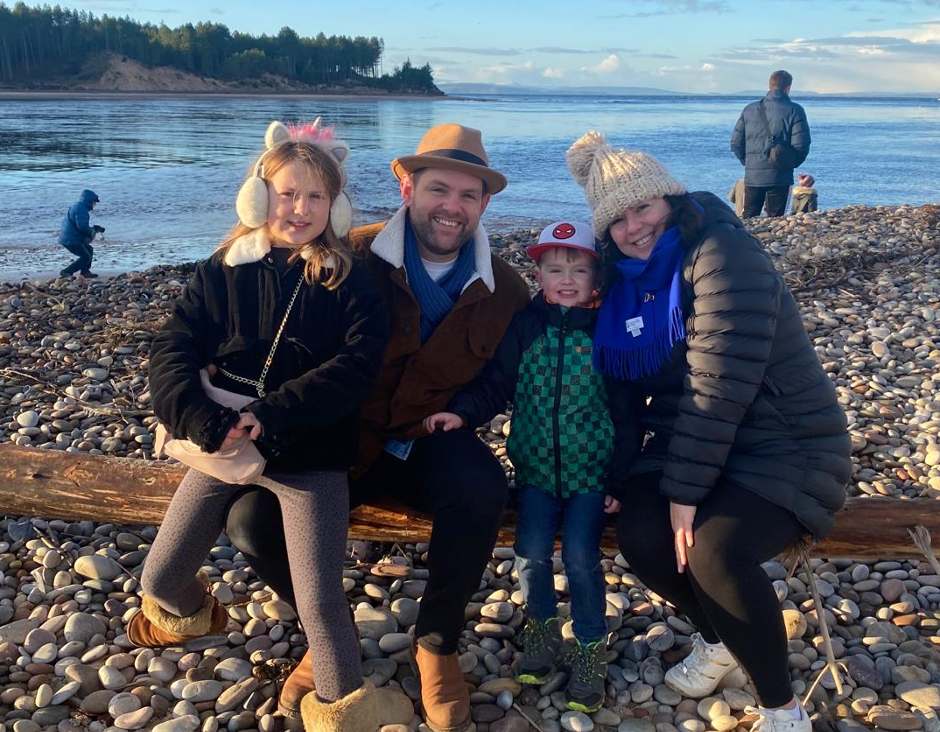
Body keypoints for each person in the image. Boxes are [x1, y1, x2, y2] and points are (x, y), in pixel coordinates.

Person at [223, 123, 530, 732]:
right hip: (340, 441)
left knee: (482, 490)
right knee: (250, 522)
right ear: (406, 184)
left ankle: (437, 643)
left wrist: (466, 412)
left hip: (427, 439)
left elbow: (501, 379)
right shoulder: (345, 257)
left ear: (486, 203)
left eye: (469, 196)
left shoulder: (508, 289)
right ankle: (325, 632)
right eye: (439, 189)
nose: (453, 207)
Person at [566, 131, 851, 732]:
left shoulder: (723, 254)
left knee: (712, 551)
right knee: (642, 535)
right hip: (688, 441)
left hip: (785, 443)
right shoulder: (627, 282)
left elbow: (717, 387)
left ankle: (782, 708)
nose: (632, 227)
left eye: (641, 206)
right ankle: (720, 640)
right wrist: (619, 476)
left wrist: (685, 494)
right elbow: (622, 391)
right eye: (615, 219)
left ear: (669, 198)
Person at [142, 118, 412, 730]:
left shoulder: (350, 278)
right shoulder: (224, 269)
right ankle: (202, 615)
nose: (301, 208)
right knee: (160, 579)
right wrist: (204, 419)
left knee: (318, 599)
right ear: (260, 196)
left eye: (316, 196)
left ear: (335, 205)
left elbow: (355, 367)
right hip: (222, 445)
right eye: (288, 193)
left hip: (308, 452)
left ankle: (345, 708)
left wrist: (268, 416)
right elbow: (172, 346)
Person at [424, 220, 632, 714]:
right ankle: (538, 633)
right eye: (554, 268)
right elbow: (496, 384)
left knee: (581, 559)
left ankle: (588, 649)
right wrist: (464, 413)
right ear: (537, 272)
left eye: (577, 269)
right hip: (536, 473)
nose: (565, 278)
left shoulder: (607, 332)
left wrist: (620, 478)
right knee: (530, 554)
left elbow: (627, 415)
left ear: (595, 275)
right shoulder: (526, 326)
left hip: (590, 478)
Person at [731, 70, 811, 218]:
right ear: (788, 88)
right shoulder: (795, 110)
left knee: (749, 218)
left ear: (770, 85)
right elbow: (802, 146)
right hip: (780, 175)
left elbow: (735, 143)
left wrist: (748, 162)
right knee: (775, 220)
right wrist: (789, 164)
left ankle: (748, 240)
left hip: (753, 174)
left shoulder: (749, 109)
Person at [58, 189, 105, 278]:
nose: (94, 205)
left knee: (89, 250)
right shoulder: (81, 210)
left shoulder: (78, 206)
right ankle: (66, 272)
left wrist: (94, 229)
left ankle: (85, 272)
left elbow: (80, 226)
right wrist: (93, 230)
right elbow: (82, 227)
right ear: (89, 201)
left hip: (68, 237)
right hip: (71, 240)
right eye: (94, 202)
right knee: (85, 257)